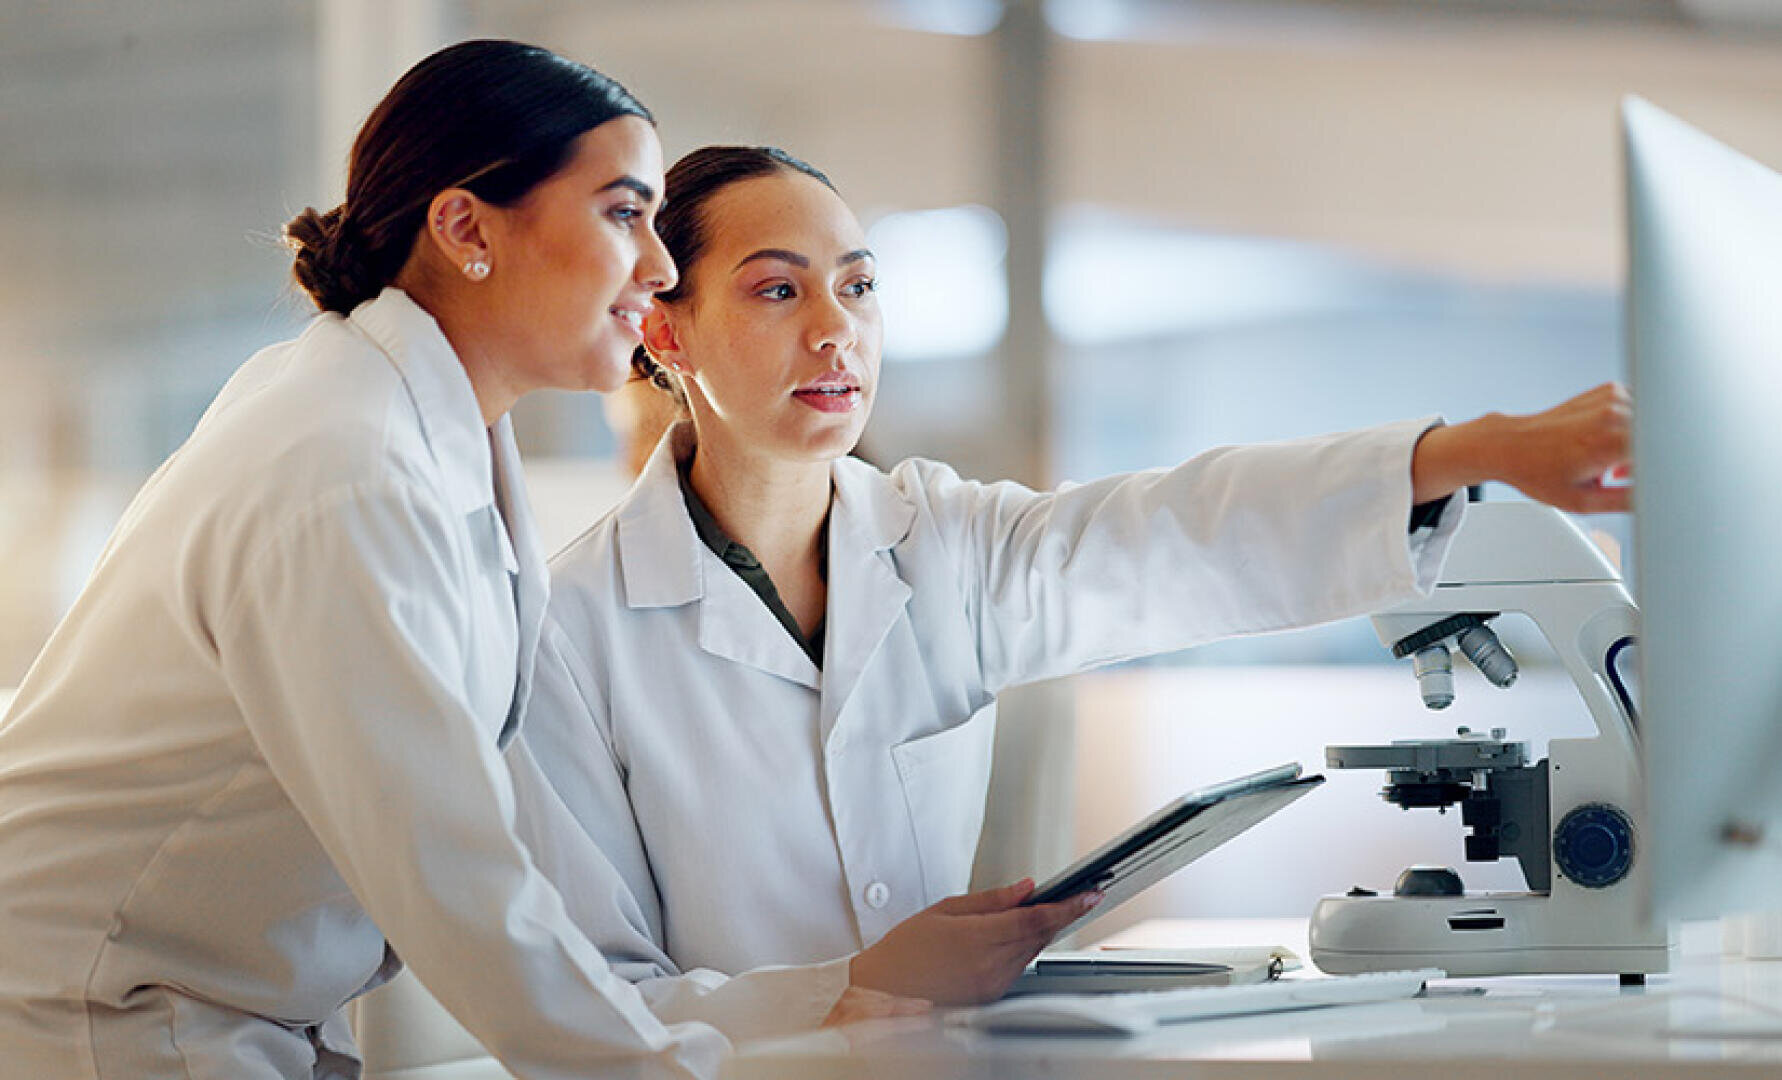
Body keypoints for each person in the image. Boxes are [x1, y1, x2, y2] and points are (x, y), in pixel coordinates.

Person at [519, 145, 1634, 1032]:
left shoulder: (945, 542)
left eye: (858, 287)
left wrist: (1473, 451)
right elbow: (589, 1005)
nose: (835, 331)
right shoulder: (568, 632)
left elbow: (1179, 533)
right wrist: (848, 989)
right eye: (778, 289)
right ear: (664, 330)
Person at [0, 43, 854, 1080]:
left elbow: (498, 851)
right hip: (100, 1014)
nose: (660, 268)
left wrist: (825, 999)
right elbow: (454, 876)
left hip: (218, 1013)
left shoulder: (425, 431)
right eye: (624, 213)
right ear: (465, 229)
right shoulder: (345, 466)